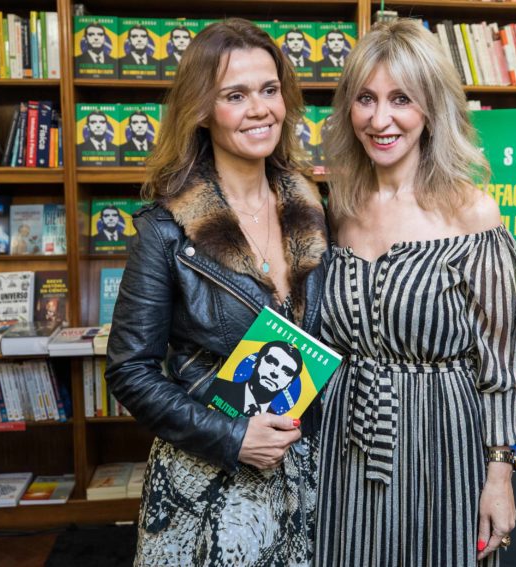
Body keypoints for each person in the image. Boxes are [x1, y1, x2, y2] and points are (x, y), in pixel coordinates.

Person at [105, 18, 329, 566]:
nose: (260, 109)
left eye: (269, 90)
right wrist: (231, 437)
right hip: (207, 482)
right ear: (202, 110)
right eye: (235, 95)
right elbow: (129, 370)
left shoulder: (316, 208)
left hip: (308, 472)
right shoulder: (166, 229)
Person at [315, 19, 516, 567]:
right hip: (345, 439)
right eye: (365, 98)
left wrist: (499, 476)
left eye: (401, 99)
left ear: (431, 109)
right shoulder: (337, 207)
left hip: (441, 441)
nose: (379, 119)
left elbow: (503, 363)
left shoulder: (472, 213)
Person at [204, 340, 304, 417]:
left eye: (286, 372)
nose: (275, 373)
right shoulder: (219, 388)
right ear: (256, 363)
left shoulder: (277, 425)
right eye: (271, 362)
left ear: (288, 384)